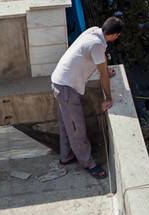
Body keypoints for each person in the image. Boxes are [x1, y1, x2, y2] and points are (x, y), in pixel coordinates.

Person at [51, 17, 123, 180]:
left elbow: (97, 63)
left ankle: (66, 156)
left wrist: (105, 69)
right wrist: (108, 98)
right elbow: (103, 73)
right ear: (115, 35)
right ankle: (88, 163)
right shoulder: (97, 45)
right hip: (67, 88)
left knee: (66, 124)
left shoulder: (93, 32)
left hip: (59, 82)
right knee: (77, 129)